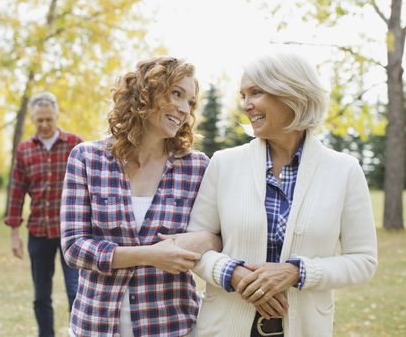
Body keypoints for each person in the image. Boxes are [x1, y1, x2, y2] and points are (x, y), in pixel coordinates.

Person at [187, 52, 378, 336]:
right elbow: (196, 247)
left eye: (256, 92)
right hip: (223, 327)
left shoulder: (344, 171)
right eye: (243, 95)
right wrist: (233, 274)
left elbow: (363, 261)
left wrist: (296, 272)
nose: (246, 105)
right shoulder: (224, 164)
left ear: (292, 93)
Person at [61, 57, 221, 337]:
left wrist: (208, 239)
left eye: (191, 102)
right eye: (176, 94)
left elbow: (219, 237)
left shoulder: (197, 167)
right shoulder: (87, 158)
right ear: (146, 93)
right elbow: (74, 248)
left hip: (170, 326)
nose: (184, 109)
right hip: (95, 325)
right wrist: (149, 255)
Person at [5, 92, 83, 337]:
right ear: (33, 120)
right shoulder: (25, 150)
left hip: (72, 234)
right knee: (41, 295)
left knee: (76, 290)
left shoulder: (75, 144)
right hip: (38, 232)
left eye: (49, 119)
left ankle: (78, 332)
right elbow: (17, 192)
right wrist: (14, 233)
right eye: (39, 120)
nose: (44, 125)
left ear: (56, 116)